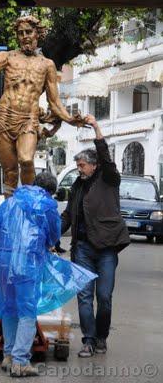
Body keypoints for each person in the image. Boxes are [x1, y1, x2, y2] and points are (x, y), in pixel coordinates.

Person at [0, 172, 97, 377]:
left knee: (9, 308)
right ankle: (20, 362)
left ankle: (9, 356)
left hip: (4, 262)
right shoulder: (48, 207)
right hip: (29, 263)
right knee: (27, 311)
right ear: (51, 191)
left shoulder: (11, 201)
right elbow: (54, 236)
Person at [0, 16, 82, 198]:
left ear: (37, 34)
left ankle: (27, 201)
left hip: (28, 120)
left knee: (26, 159)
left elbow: (54, 102)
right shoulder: (7, 57)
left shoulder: (47, 65)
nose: (25, 36)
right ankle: (11, 210)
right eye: (21, 33)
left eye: (29, 32)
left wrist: (70, 119)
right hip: (4, 118)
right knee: (9, 173)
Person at [61, 115, 130, 358]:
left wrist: (96, 127)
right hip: (82, 250)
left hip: (106, 248)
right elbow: (68, 216)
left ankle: (102, 337)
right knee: (84, 297)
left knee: (104, 296)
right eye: (78, 165)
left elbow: (106, 157)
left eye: (82, 165)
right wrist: (50, 233)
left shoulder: (109, 178)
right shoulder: (77, 187)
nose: (79, 169)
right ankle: (88, 340)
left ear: (94, 165)